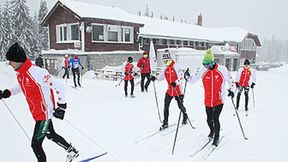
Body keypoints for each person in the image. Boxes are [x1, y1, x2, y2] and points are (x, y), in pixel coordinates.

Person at [0, 42, 79, 162]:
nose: (9, 63)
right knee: (50, 134)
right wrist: (8, 92)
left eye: (11, 60)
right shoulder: (22, 74)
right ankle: (71, 151)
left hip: (44, 114)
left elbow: (58, 86)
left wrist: (62, 106)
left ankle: (70, 151)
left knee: (35, 145)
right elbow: (22, 86)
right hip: (37, 112)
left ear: (18, 59)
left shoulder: (37, 72)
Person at [185, 49, 234, 146]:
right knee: (208, 119)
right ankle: (212, 131)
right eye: (205, 64)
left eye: (208, 65)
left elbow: (230, 80)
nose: (206, 67)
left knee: (216, 119)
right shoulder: (202, 70)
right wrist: (187, 77)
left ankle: (216, 137)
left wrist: (231, 90)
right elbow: (193, 80)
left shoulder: (222, 69)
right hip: (208, 100)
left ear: (212, 62)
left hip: (219, 99)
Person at [151, 49, 188, 130]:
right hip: (169, 90)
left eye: (166, 61)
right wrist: (155, 78)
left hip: (178, 90)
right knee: (166, 106)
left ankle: (185, 116)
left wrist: (176, 82)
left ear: (170, 59)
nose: (165, 62)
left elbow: (181, 78)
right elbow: (161, 77)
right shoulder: (165, 67)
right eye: (164, 61)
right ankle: (165, 122)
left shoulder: (176, 66)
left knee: (180, 106)